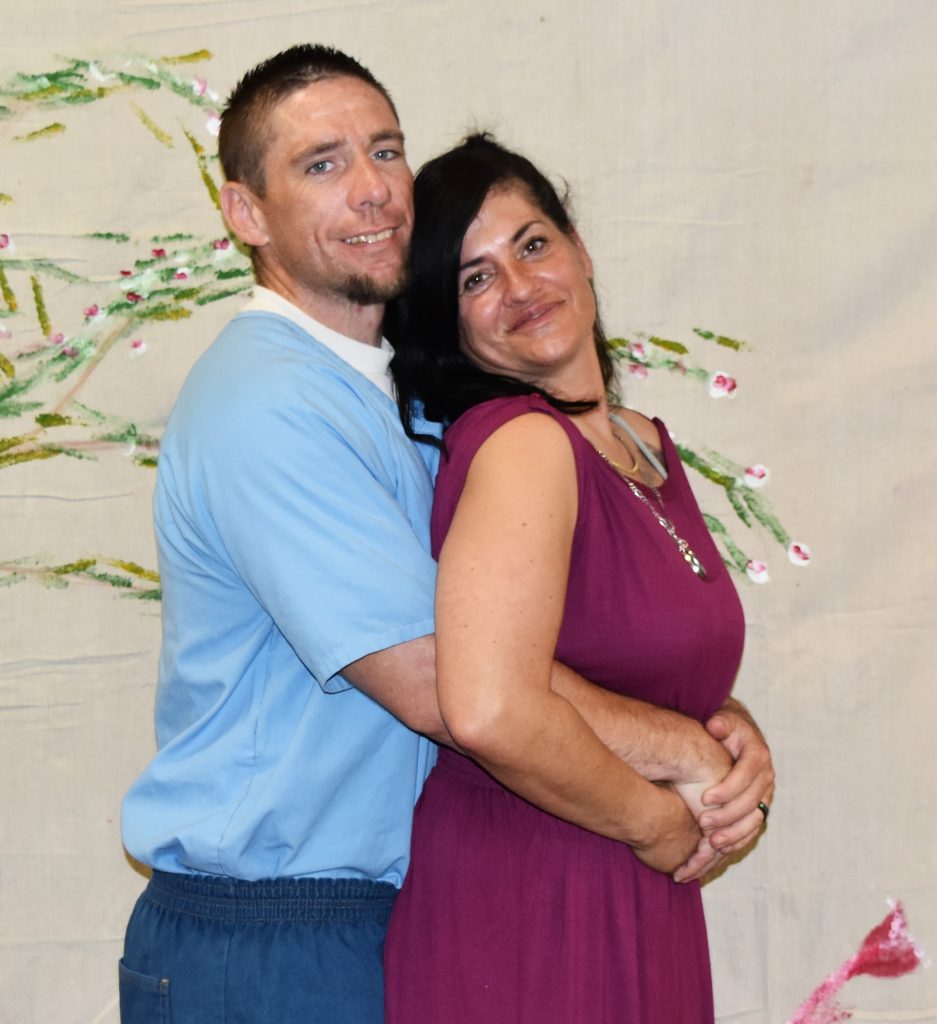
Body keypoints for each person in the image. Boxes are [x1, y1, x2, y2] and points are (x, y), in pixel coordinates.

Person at [118, 44, 771, 1024]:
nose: (376, 191)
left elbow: (538, 646)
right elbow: (452, 682)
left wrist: (721, 727)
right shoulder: (264, 401)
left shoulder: (402, 404)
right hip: (265, 937)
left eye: (385, 150)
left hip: (380, 917)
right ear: (243, 213)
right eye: (322, 164)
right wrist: (671, 783)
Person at [383, 133, 772, 1023]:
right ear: (451, 325)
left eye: (531, 244)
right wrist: (661, 821)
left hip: (631, 888)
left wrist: (729, 739)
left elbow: (636, 659)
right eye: (474, 279)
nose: (518, 288)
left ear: (580, 249)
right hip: (534, 895)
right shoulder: (524, 443)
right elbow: (485, 706)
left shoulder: (642, 442)